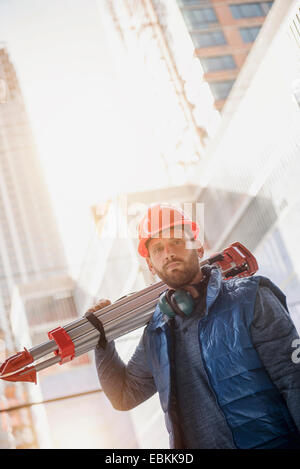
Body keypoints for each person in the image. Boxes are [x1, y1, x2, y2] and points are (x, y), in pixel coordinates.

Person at [86, 204, 300, 449]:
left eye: (177, 241)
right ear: (151, 265)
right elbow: (123, 395)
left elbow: (294, 381)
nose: (168, 253)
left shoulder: (250, 298)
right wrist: (101, 339)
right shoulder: (157, 334)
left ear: (198, 246)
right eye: (158, 248)